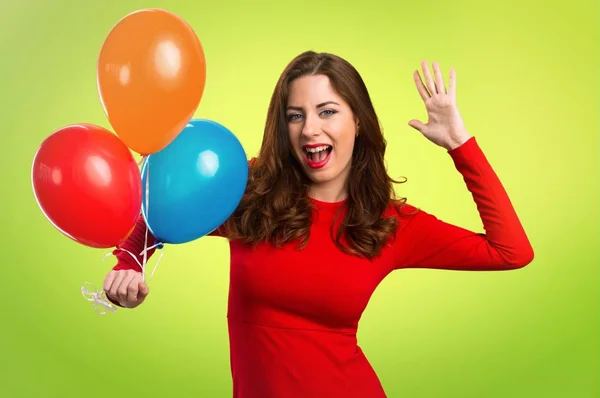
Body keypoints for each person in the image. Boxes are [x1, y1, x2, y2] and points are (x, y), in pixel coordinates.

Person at [103, 51, 534, 398]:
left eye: (328, 111)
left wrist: (460, 144)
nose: (311, 129)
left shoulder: (390, 224)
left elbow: (512, 251)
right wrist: (127, 263)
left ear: (357, 121)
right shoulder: (248, 190)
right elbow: (158, 213)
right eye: (296, 115)